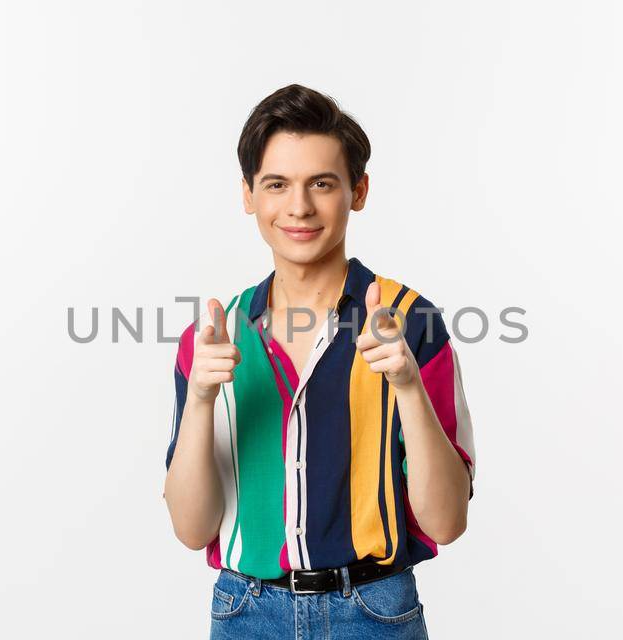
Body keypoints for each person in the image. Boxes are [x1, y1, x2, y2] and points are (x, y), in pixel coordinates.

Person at [164, 84, 477, 639]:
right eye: (277, 185)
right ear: (248, 195)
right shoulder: (212, 339)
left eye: (322, 184)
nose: (299, 207)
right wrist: (201, 400)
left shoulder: (412, 322)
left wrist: (406, 383)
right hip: (246, 614)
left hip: (376, 613)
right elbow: (192, 530)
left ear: (358, 191)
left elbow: (447, 522)